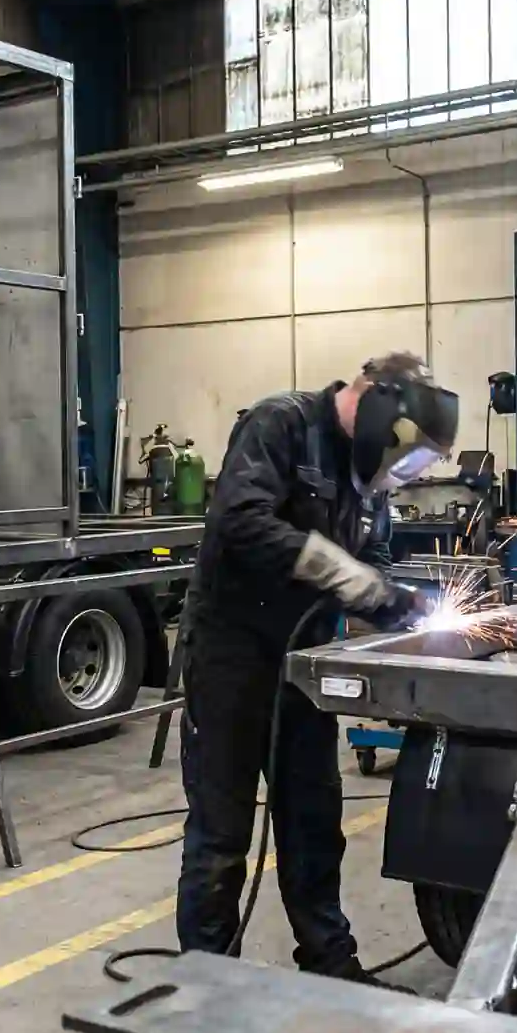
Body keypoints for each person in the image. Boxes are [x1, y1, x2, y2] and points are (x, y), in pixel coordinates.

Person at [175, 351, 459, 982]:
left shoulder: (367, 471)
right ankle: (206, 986)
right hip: (231, 657)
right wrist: (348, 577)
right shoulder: (280, 425)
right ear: (380, 408)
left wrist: (393, 603)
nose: (397, 475)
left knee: (313, 820)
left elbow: (375, 555)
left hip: (304, 665)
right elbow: (240, 522)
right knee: (222, 835)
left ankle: (330, 962)